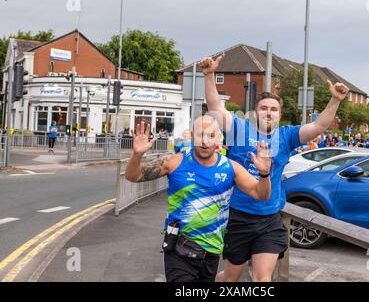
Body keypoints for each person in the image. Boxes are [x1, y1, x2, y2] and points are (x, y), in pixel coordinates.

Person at [199, 55, 349, 282]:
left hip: (269, 219)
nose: (268, 112)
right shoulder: (239, 130)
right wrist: (209, 75)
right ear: (255, 112)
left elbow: (318, 126)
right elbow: (215, 107)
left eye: (274, 109)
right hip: (238, 216)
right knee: (231, 278)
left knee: (262, 279)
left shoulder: (287, 136)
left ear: (280, 114)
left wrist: (335, 100)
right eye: (264, 108)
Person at [125, 117, 272, 282]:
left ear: (218, 138)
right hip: (179, 249)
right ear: (192, 136)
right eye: (200, 135)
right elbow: (133, 176)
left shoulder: (230, 168)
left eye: (210, 135)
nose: (204, 141)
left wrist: (264, 174)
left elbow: (262, 194)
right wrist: (137, 155)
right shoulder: (174, 162)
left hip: (212, 251)